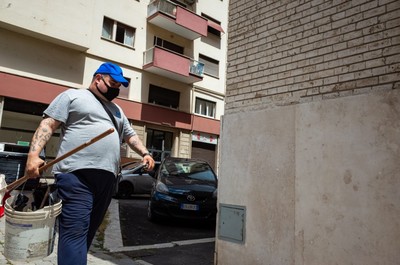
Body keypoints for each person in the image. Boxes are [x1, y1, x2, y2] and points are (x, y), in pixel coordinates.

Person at [25, 62, 155, 265]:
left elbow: (129, 135)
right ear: (98, 79)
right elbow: (48, 124)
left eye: (119, 85)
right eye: (112, 83)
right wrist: (33, 155)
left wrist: (145, 153)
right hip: (76, 175)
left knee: (87, 234)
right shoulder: (72, 96)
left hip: (107, 179)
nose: (116, 89)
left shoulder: (118, 111)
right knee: (75, 231)